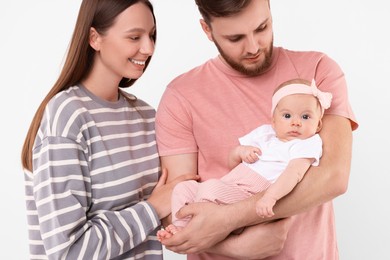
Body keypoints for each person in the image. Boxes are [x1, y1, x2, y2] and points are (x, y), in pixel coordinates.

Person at [155, 0, 358, 259]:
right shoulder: (181, 95)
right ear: (207, 30)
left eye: (262, 28)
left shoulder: (317, 71)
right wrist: (234, 247)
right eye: (235, 37)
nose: (253, 47)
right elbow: (176, 211)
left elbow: (333, 178)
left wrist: (230, 218)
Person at [20, 1, 197, 259]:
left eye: (152, 35)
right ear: (95, 38)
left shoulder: (147, 116)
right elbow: (69, 251)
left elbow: (173, 213)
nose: (148, 48)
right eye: (134, 37)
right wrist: (152, 208)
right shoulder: (68, 116)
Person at [157, 78, 332, 240]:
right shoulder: (265, 134)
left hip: (249, 194)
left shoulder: (306, 144)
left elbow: (294, 174)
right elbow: (231, 164)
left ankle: (210, 228)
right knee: (183, 188)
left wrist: (270, 197)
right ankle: (180, 227)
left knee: (209, 189)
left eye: (305, 117)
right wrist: (239, 152)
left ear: (318, 125)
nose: (296, 122)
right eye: (287, 116)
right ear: (274, 120)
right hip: (230, 182)